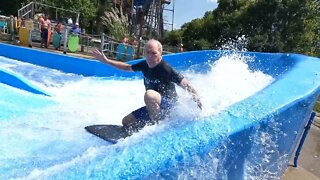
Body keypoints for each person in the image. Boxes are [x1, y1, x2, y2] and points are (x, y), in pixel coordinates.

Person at [93, 39, 202, 133]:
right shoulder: (144, 64)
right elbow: (127, 68)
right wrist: (106, 61)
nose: (150, 56)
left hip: (169, 106)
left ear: (160, 54)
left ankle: (157, 129)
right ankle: (144, 129)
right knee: (126, 122)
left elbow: (186, 84)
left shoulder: (166, 69)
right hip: (155, 107)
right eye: (147, 52)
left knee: (149, 94)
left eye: (154, 53)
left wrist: (198, 101)